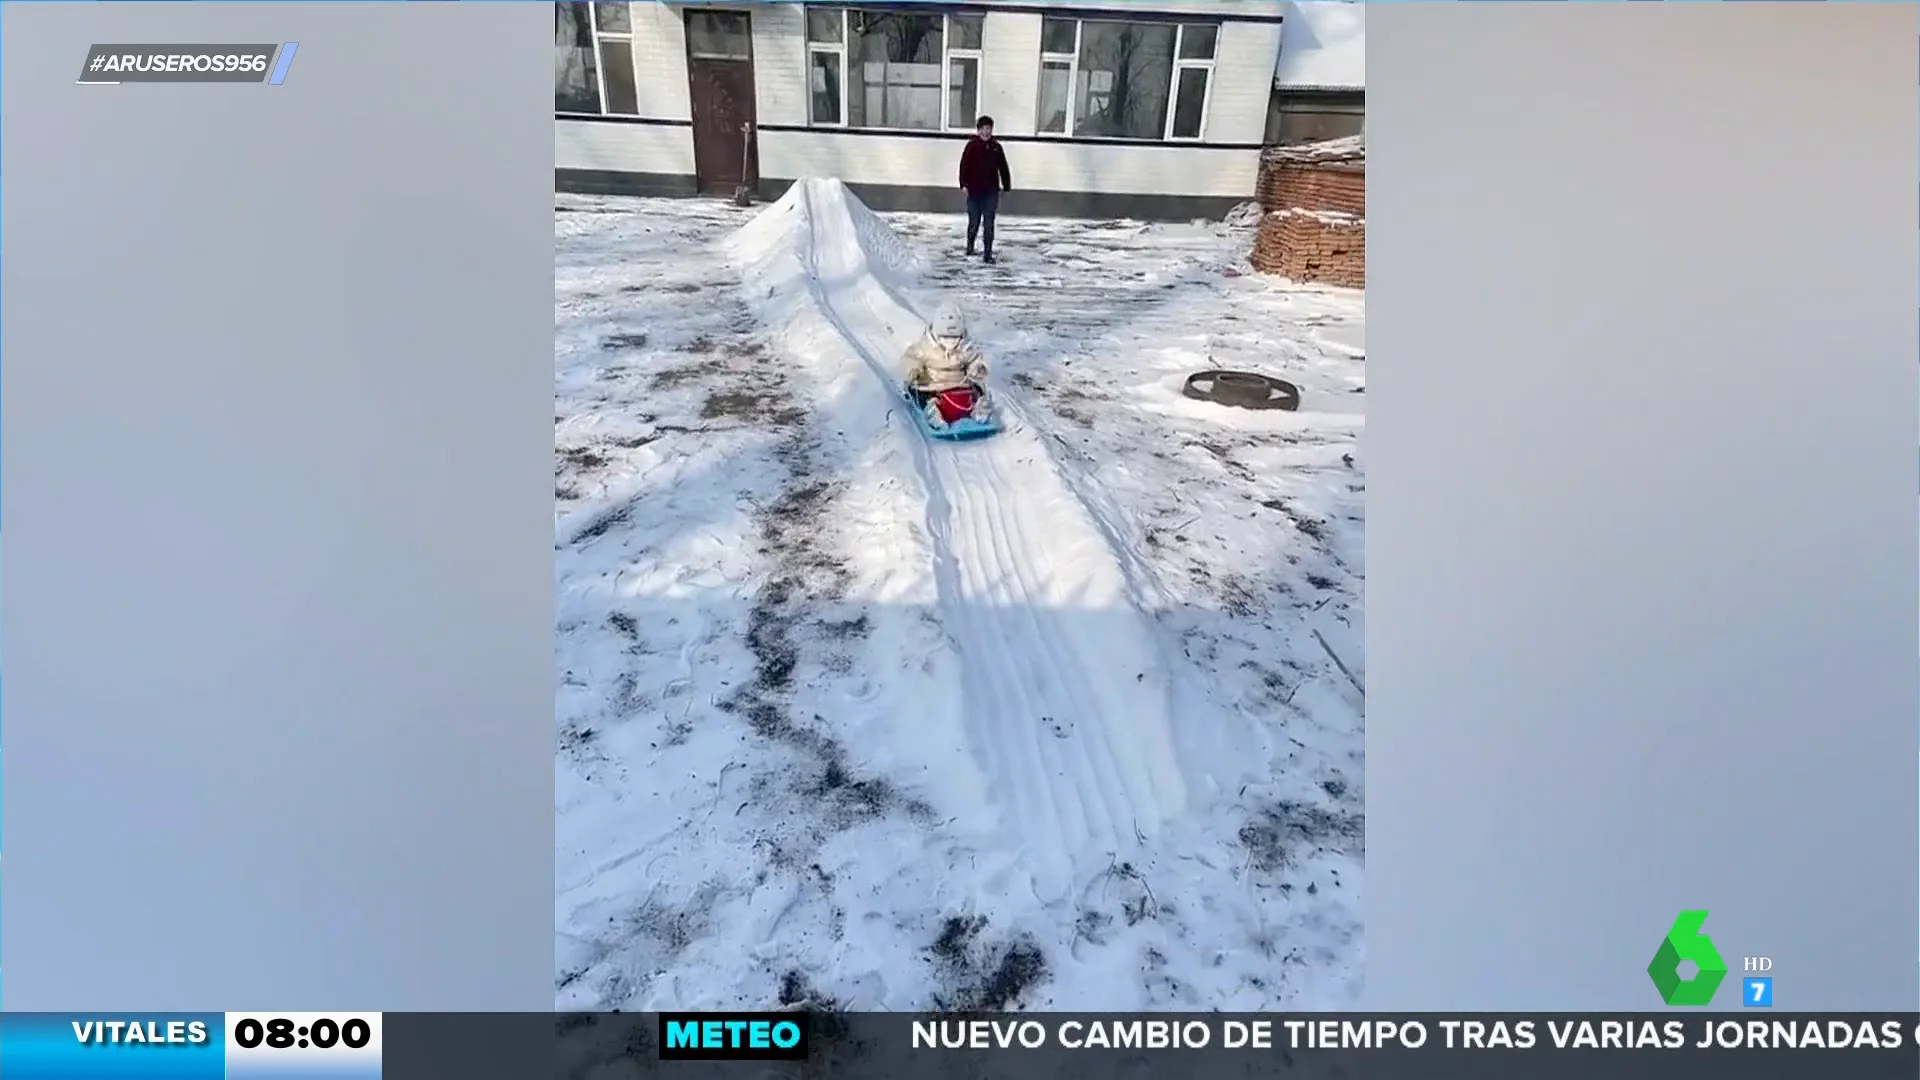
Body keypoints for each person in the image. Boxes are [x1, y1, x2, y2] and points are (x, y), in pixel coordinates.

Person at [902, 304, 990, 425]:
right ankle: (933, 414)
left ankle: (978, 410)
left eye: (954, 338)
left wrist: (977, 368)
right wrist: (914, 369)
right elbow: (912, 357)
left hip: (959, 386)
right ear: (937, 334)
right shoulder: (926, 347)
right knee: (918, 394)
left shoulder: (965, 348)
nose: (951, 342)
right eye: (945, 338)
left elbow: (974, 359)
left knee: (978, 390)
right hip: (932, 386)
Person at [958, 115, 1012, 263]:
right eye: (983, 129)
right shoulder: (972, 146)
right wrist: (963, 184)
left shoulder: (996, 147)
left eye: (988, 129)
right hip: (974, 191)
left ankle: (987, 254)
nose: (986, 132)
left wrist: (1006, 187)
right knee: (974, 222)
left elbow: (1003, 168)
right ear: (979, 130)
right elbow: (964, 166)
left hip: (991, 192)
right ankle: (970, 246)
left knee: (989, 223)